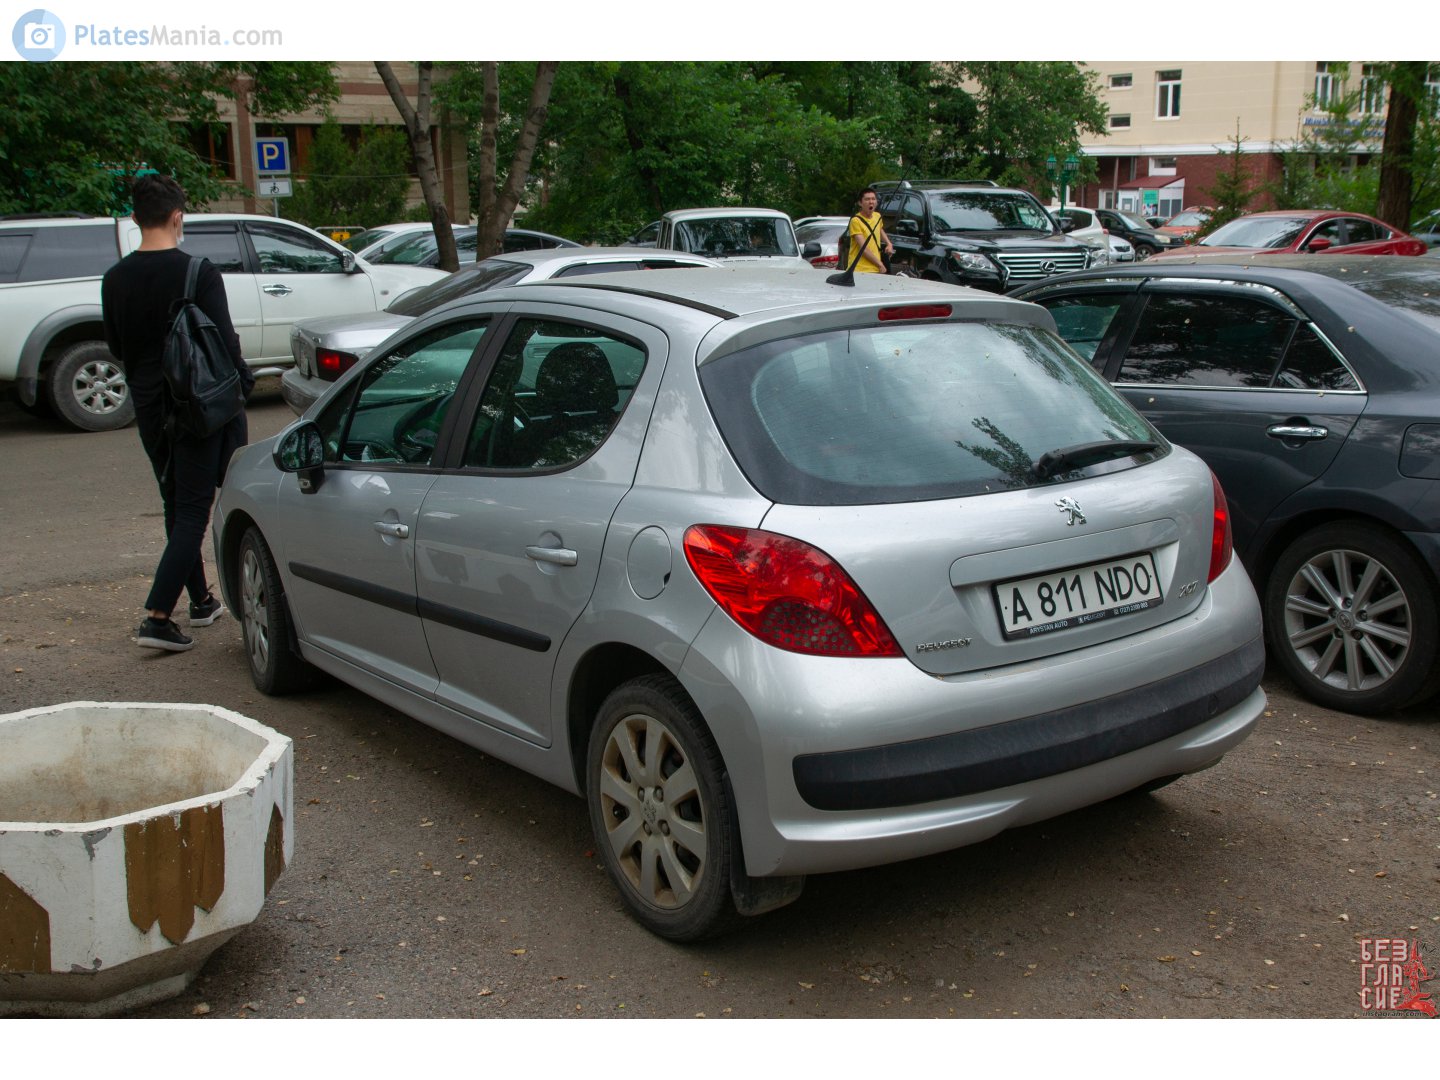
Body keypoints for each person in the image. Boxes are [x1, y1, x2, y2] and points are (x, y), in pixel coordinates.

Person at [102, 174, 252, 652]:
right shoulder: (198, 272)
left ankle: (201, 601)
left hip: (148, 405)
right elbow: (224, 342)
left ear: (134, 219)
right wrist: (242, 386)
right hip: (196, 406)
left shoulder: (115, 278)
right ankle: (157, 617)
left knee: (175, 503)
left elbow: (117, 347)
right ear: (176, 216)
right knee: (192, 512)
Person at [847, 187, 894, 274]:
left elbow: (879, 229)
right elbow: (864, 249)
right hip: (859, 269)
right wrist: (880, 264)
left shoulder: (877, 216)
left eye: (873, 199)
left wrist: (889, 243)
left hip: (875, 269)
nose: (871, 202)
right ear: (860, 203)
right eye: (867, 199)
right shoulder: (856, 221)